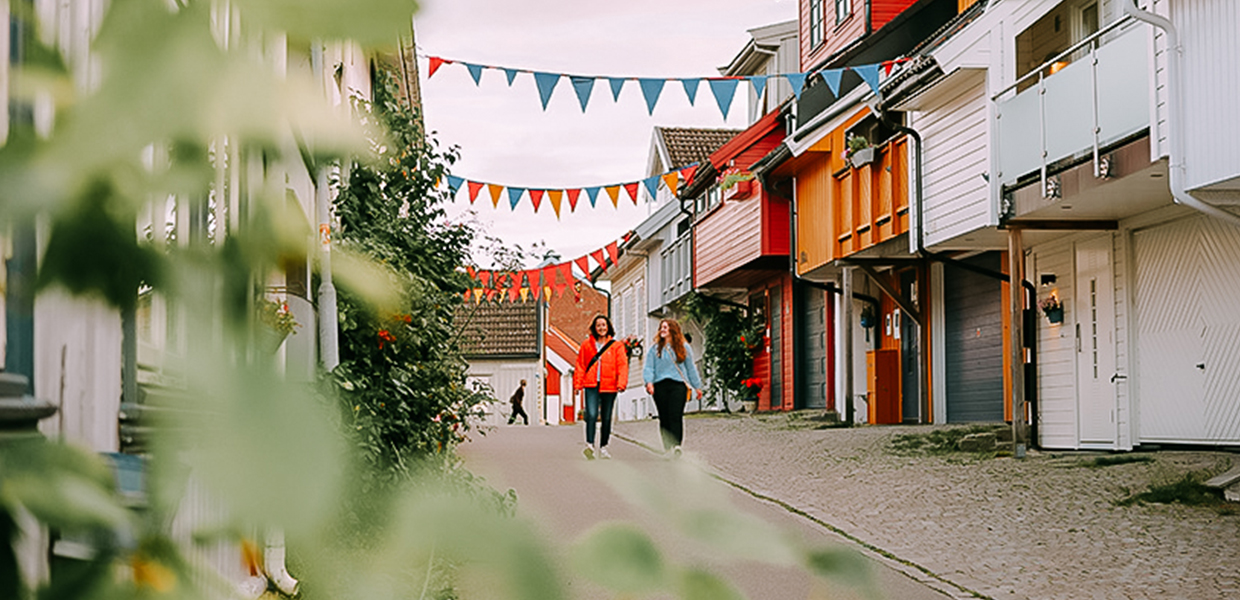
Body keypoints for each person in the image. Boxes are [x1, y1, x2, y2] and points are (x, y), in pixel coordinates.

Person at [643, 319, 703, 457]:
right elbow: (649, 367)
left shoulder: (683, 347)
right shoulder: (654, 349)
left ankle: (676, 446)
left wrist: (697, 386)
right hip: (660, 386)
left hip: (678, 385)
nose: (662, 330)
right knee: (664, 417)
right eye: (661, 327)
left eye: (666, 327)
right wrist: (649, 382)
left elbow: (690, 368)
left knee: (675, 415)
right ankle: (667, 448)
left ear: (673, 330)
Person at [573, 315, 628, 460]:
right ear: (594, 328)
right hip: (591, 384)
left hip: (609, 386)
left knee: (606, 417)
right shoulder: (586, 345)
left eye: (604, 325)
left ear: (608, 327)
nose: (601, 328)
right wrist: (577, 384)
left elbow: (622, 365)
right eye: (598, 325)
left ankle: (603, 447)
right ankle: (590, 445)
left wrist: (621, 383)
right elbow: (580, 365)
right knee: (590, 414)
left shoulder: (617, 346)